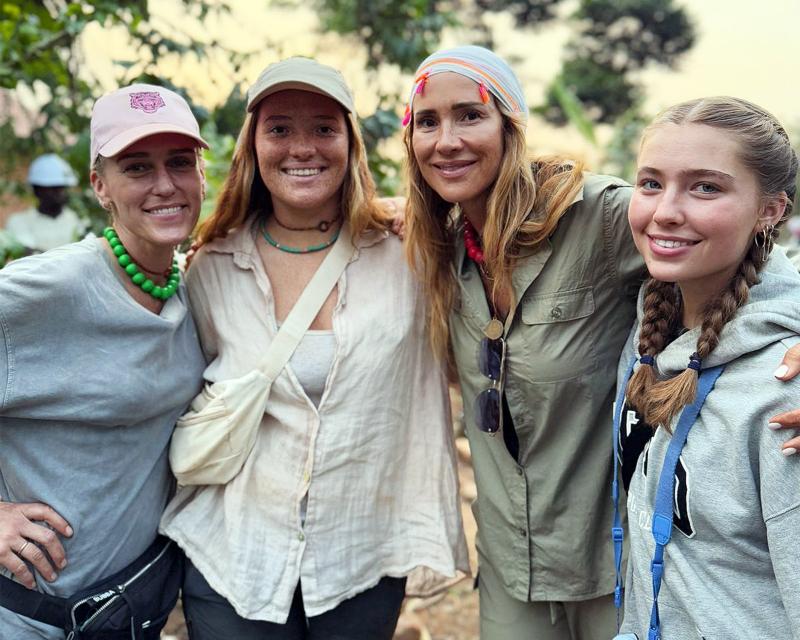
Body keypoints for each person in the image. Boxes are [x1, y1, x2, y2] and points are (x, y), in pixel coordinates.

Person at [159, 57, 468, 640]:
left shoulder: (413, 255)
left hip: (362, 556)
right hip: (233, 555)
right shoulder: (212, 266)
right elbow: (156, 394)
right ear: (252, 145)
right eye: (279, 129)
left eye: (324, 129)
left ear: (350, 144)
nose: (302, 147)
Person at [402, 45, 646, 640]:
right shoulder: (443, 250)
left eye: (470, 115)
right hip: (512, 567)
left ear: (510, 126)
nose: (447, 140)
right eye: (427, 122)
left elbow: (744, 249)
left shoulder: (599, 217)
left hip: (613, 561)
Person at [0, 83, 208, 639]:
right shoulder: (45, 290)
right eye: (137, 168)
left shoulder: (195, 286)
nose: (165, 184)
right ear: (100, 186)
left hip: (133, 608)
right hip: (30, 616)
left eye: (180, 163)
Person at [614, 96, 800, 639]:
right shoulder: (653, 319)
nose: (665, 210)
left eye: (706, 187)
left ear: (771, 210)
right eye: (650, 183)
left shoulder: (782, 390)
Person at [4, 153, 87, 252]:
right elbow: (31, 255)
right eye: (53, 188)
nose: (59, 193)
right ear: (36, 190)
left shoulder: (78, 221)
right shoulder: (19, 222)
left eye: (61, 187)